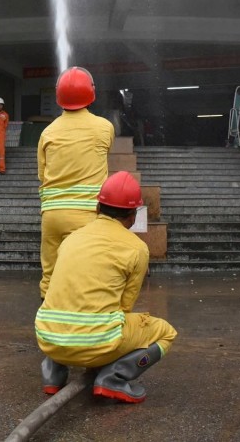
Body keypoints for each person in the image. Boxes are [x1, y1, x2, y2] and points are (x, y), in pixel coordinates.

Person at [35, 171, 177, 404]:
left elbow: (54, 287)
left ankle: (53, 374)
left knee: (63, 310)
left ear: (98, 208)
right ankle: (114, 378)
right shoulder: (136, 248)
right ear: (132, 216)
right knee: (165, 332)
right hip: (96, 342)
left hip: (47, 337)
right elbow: (124, 307)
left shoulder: (71, 239)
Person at [37, 66, 114, 298]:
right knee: (88, 271)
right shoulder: (104, 127)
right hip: (87, 214)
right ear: (92, 94)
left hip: (52, 215)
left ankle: (47, 308)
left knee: (50, 272)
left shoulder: (47, 132)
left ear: (59, 96)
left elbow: (42, 175)